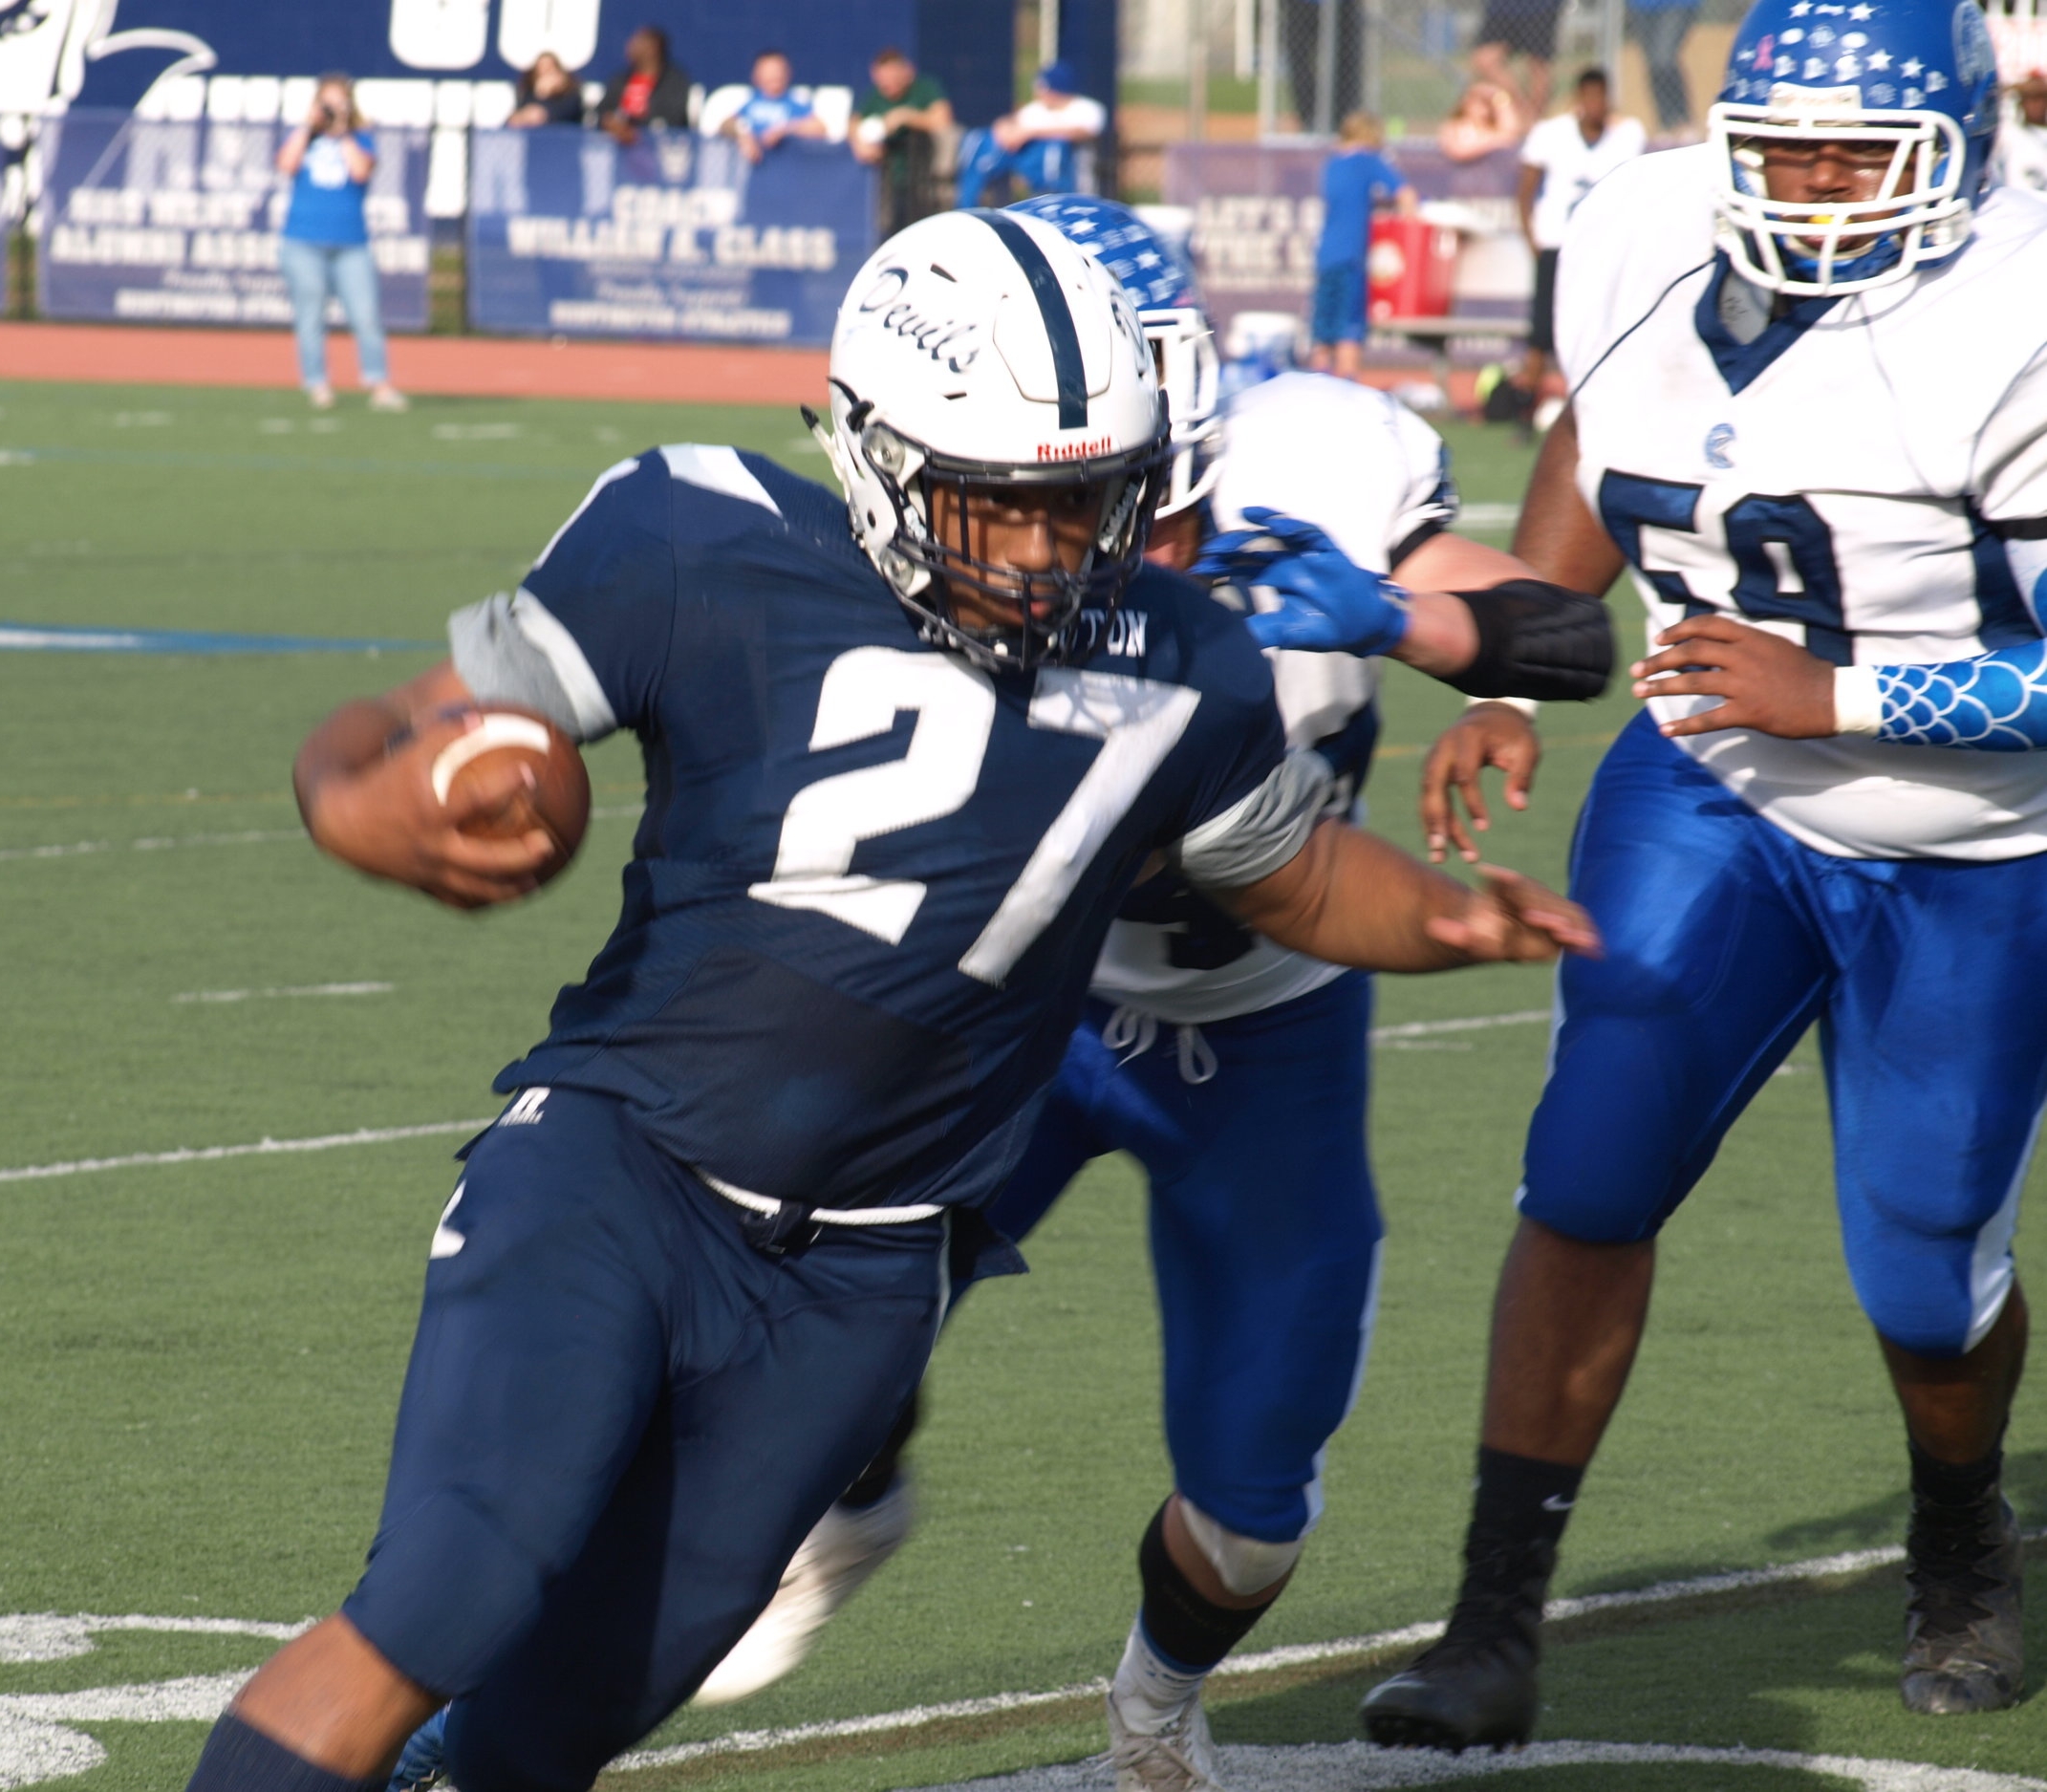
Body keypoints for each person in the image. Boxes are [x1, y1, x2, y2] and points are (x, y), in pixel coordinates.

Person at [180, 208, 1594, 1792]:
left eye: (1083, 505)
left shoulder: (1179, 654)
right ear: (878, 450)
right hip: (622, 1173)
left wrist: (1454, 916)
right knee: (447, 1593)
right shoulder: (696, 539)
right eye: (1002, 507)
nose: (1051, 553)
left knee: (557, 1719)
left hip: (863, 1282)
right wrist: (365, 810)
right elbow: (391, 734)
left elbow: (1296, 879)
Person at [677, 195, 1615, 1790]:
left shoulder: (1312, 463)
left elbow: (1567, 632)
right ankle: (836, 1499)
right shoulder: (928, 531)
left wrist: (1406, 624)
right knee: (789, 1316)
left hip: (1268, 1027)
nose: (1055, 512)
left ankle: (1158, 1699)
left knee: (1252, 1504)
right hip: (1013, 1007)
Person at [1363, 0, 2047, 1752]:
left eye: (1854, 158)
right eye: (1782, 155)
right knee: (1586, 1169)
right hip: (1713, 787)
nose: (1811, 194)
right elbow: (1611, 447)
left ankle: (1958, 1535)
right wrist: (1517, 660)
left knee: (1921, 1270)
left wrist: (1848, 693)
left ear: (1957, 156)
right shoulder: (1641, 226)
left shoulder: (2018, 307)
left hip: (1971, 846)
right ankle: (1493, 1616)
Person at [274, 74, 405, 415]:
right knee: (310, 315)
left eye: (338, 102)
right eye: (326, 103)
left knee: (365, 315)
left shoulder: (360, 139)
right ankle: (317, 384)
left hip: (351, 243)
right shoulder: (304, 137)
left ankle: (379, 383)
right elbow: (286, 164)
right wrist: (309, 127)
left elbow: (361, 172)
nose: (332, 109)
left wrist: (342, 132)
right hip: (302, 241)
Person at [1515, 69, 1644, 412]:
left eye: (1600, 97)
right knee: (1541, 333)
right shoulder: (1551, 134)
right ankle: (1527, 410)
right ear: (1578, 100)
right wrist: (1533, 241)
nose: (1594, 105)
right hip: (1556, 245)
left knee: (1597, 327)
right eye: (1588, 97)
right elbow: (1525, 193)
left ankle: (1591, 406)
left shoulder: (1625, 137)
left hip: (1599, 249)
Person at [1310, 113, 1419, 378]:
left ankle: (1319, 379)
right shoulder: (1369, 161)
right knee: (1349, 324)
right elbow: (1407, 195)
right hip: (1352, 256)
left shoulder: (1333, 163)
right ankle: (1347, 380)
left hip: (1326, 255)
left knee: (1323, 327)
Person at [956, 60, 1108, 207]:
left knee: (1053, 147)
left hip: (1069, 170)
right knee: (978, 138)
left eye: (1043, 88)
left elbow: (1084, 133)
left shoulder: (1087, 108)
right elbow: (1010, 123)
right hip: (1024, 161)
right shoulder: (1036, 109)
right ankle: (967, 206)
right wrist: (1005, 131)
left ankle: (1051, 203)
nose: (1039, 93)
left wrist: (1033, 133)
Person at [852, 47, 953, 236]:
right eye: (882, 82)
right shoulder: (876, 96)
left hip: (927, 181)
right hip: (890, 184)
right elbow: (854, 122)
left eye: (892, 81)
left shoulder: (925, 88)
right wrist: (860, 143)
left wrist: (906, 116)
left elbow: (943, 119)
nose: (887, 88)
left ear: (906, 72)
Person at [722, 49, 828, 165]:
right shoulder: (749, 101)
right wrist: (743, 136)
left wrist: (785, 129)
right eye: (768, 71)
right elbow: (726, 123)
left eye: (777, 70)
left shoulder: (795, 102)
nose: (774, 76)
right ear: (756, 75)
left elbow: (820, 127)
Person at [1471, 0, 1564, 124]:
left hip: (1540, 7)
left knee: (1538, 65)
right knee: (1485, 59)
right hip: (1502, 7)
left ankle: (1534, 124)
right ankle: (1523, 112)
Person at [598, 26, 692, 144]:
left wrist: (634, 132)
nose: (630, 46)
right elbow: (601, 112)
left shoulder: (675, 81)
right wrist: (610, 122)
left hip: (658, 150)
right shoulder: (621, 80)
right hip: (618, 151)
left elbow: (673, 118)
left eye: (638, 42)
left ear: (653, 48)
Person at [1627, 0, 1697, 133]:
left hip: (1678, 4)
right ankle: (1665, 124)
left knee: (1663, 59)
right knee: (1652, 65)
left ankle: (1682, 119)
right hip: (1641, 6)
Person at [1437, 78, 1530, 162]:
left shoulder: (1494, 127)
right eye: (1478, 102)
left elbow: (1511, 133)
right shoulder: (1455, 127)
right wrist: (1494, 142)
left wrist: (1500, 97)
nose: (1483, 108)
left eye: (1487, 103)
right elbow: (1459, 151)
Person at [1993, 70, 2047, 194]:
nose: (2036, 104)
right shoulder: (2009, 135)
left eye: (2041, 97)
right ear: (2021, 102)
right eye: (2029, 97)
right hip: (2022, 207)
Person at [508, 51, 585, 128]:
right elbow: (521, 113)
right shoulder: (528, 89)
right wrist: (540, 93)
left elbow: (571, 113)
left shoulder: (570, 90)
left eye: (549, 67)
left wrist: (544, 114)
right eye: (541, 67)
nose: (545, 71)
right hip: (534, 134)